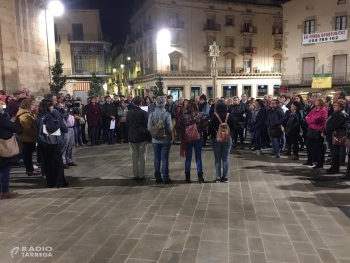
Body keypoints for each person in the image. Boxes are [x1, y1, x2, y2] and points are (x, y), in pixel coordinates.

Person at [36, 99, 68, 188]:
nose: (52, 107)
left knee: (47, 163)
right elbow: (52, 129)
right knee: (58, 162)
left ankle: (50, 182)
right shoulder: (49, 116)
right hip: (52, 143)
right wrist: (57, 122)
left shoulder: (39, 116)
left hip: (42, 142)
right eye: (51, 106)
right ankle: (59, 182)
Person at [176, 99, 207, 184]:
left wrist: (183, 131)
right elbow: (204, 126)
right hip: (198, 138)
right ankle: (200, 177)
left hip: (188, 139)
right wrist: (198, 132)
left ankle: (187, 177)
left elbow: (177, 127)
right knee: (198, 158)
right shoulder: (199, 115)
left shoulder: (183, 116)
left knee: (188, 158)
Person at [148, 96, 173, 184]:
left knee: (156, 157)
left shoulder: (151, 114)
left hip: (155, 139)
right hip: (165, 139)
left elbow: (149, 127)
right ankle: (165, 177)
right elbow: (170, 129)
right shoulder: (167, 114)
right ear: (164, 103)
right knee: (165, 158)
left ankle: (158, 177)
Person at [209, 100, 234, 182]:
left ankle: (218, 177)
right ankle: (225, 176)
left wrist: (212, 136)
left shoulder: (214, 115)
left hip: (216, 139)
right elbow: (233, 127)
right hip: (227, 139)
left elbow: (211, 128)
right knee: (226, 158)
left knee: (217, 158)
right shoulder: (229, 115)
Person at [321, 99, 348, 174]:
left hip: (336, 135)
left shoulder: (340, 114)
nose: (334, 107)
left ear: (340, 106)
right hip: (332, 135)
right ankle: (334, 167)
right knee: (334, 152)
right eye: (334, 105)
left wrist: (325, 132)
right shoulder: (337, 113)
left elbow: (334, 126)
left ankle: (335, 168)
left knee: (335, 152)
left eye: (336, 105)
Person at [126, 96, 149, 180]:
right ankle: (141, 175)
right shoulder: (144, 113)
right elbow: (147, 125)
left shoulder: (129, 113)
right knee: (142, 156)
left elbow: (127, 125)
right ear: (141, 103)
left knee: (134, 156)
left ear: (133, 103)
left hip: (132, 136)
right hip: (142, 136)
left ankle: (135, 174)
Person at [16, 99, 41, 176]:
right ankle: (30, 170)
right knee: (27, 154)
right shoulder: (25, 115)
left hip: (27, 137)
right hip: (27, 138)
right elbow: (27, 129)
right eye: (32, 104)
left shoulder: (27, 114)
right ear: (28, 105)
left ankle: (30, 169)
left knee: (27, 154)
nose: (33, 106)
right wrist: (36, 135)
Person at [303, 97, 328, 169]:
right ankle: (309, 160)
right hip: (311, 130)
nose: (315, 101)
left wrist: (309, 119)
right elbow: (308, 117)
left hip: (318, 130)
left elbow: (314, 120)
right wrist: (309, 119)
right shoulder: (314, 109)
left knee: (319, 147)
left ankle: (320, 163)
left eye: (317, 100)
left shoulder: (323, 110)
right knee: (308, 145)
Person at [0, 103, 18, 199]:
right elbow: (13, 127)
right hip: (3, 145)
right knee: (5, 168)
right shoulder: (1, 117)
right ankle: (4, 191)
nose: (2, 105)